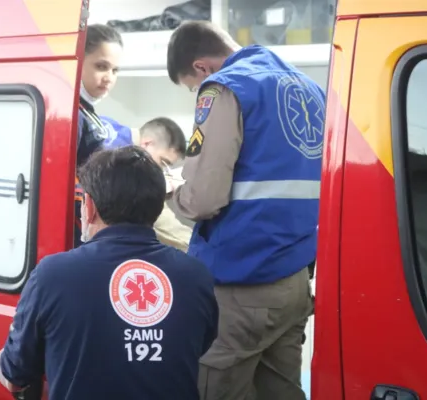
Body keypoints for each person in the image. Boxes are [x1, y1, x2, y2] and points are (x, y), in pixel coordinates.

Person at [165, 21, 325, 400]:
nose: (195, 91)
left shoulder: (226, 87)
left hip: (243, 281)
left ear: (202, 67)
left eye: (191, 85)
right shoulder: (311, 89)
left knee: (214, 387)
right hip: (295, 279)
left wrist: (170, 191)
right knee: (282, 390)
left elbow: (203, 199)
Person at [0, 146, 219, 400]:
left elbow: (15, 373)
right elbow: (198, 346)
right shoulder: (195, 276)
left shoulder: (52, 275)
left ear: (89, 206)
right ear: (156, 208)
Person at [102, 116, 193, 252]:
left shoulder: (104, 124)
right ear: (147, 143)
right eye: (163, 162)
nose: (161, 170)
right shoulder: (123, 159)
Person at [74, 24, 124, 248]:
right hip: (76, 224)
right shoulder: (72, 114)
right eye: (101, 66)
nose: (109, 77)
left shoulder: (86, 110)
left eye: (115, 70)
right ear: (78, 61)